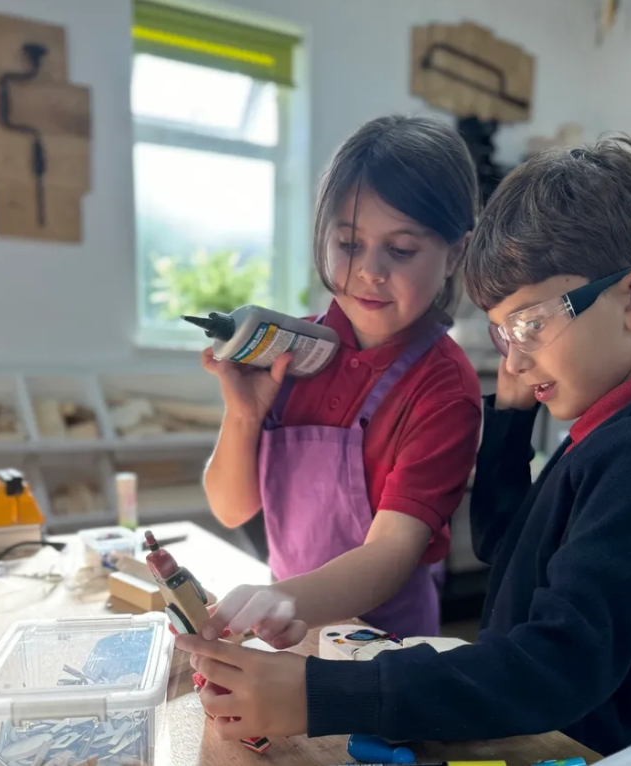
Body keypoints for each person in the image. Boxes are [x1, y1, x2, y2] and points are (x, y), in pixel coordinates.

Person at [176, 135, 631, 757]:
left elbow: (556, 666)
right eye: (502, 333)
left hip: (581, 748)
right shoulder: (615, 429)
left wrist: (323, 693)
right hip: (522, 731)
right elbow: (508, 545)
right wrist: (513, 420)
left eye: (529, 324)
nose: (516, 358)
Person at [200, 115, 482, 645]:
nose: (369, 271)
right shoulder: (288, 353)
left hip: (381, 649)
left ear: (455, 254)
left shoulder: (443, 389)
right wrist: (243, 415)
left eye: (401, 250)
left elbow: (390, 553)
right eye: (349, 245)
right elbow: (231, 507)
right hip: (287, 624)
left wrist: (289, 599)